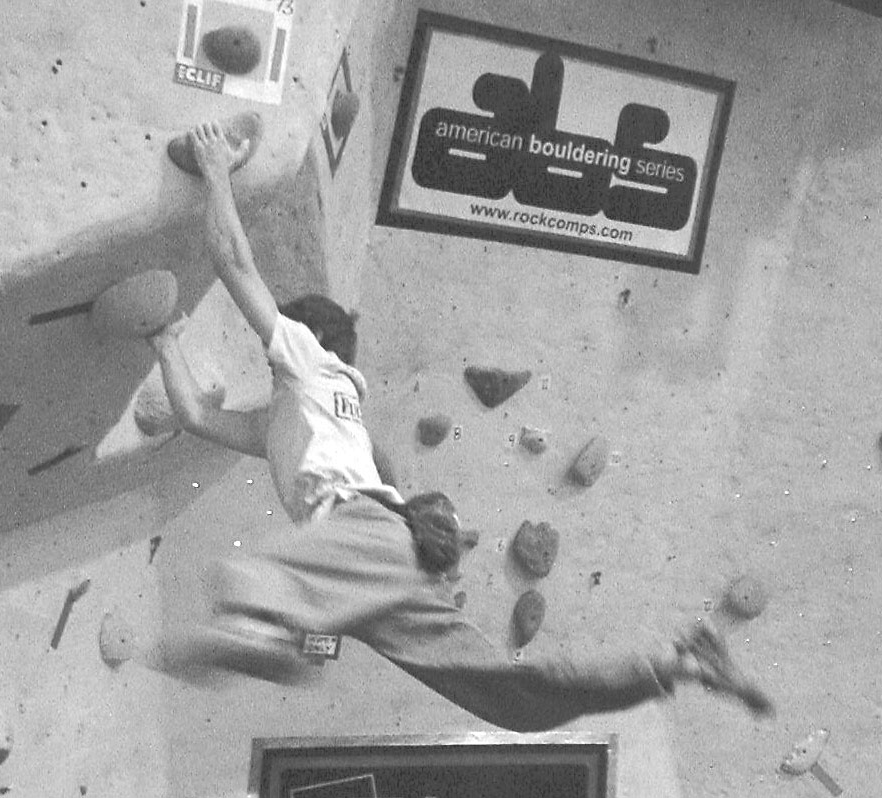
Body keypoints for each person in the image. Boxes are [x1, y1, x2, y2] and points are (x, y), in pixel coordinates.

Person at [143, 121, 775, 731]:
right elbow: (196, 418)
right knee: (510, 700)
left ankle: (262, 626)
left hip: (359, 535)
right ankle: (676, 662)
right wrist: (166, 343)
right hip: (385, 562)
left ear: (303, 338)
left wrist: (216, 172)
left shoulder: (310, 365)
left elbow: (233, 259)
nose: (267, 349)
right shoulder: (294, 417)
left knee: (257, 573)